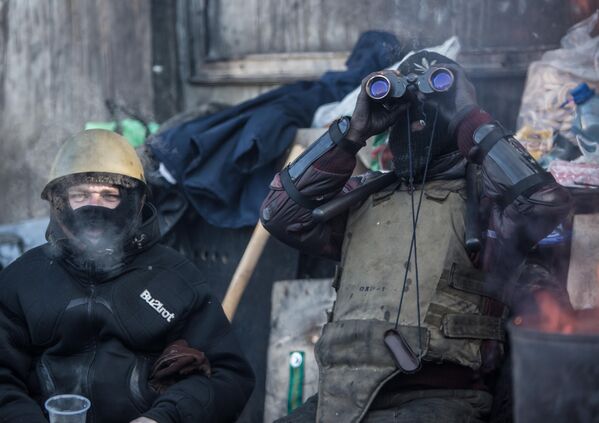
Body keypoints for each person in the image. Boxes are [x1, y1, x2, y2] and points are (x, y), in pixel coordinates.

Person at [260, 51, 571, 422]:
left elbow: (543, 203)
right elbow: (278, 215)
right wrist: (351, 133)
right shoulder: (366, 196)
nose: (417, 122)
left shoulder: (487, 207)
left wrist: (469, 117)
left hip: (435, 399)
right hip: (339, 399)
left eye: (433, 109)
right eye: (408, 109)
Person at [0, 129, 255, 422]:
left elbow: (229, 376)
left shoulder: (175, 277)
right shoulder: (23, 278)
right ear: (59, 202)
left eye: (109, 196)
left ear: (133, 202)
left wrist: (165, 418)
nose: (94, 208)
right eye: (80, 195)